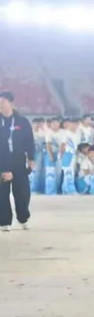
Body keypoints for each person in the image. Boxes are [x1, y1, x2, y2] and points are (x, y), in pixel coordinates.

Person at [0, 91, 35, 232]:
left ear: (11, 103)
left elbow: (29, 141)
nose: (0, 104)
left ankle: (23, 218)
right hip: (2, 161)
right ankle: (4, 221)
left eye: (2, 101)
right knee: (2, 194)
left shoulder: (22, 121)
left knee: (22, 193)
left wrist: (31, 159)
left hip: (19, 161)